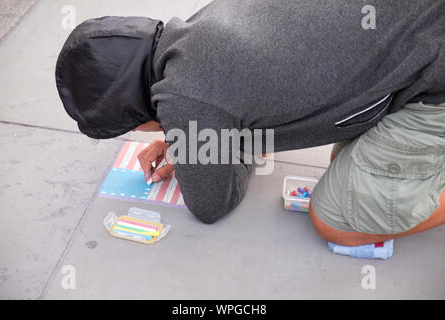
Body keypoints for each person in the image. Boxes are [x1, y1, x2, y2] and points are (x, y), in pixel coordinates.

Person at [55, 0, 444, 245]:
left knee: (337, 220)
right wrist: (189, 137)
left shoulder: (187, 99)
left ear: (135, 118)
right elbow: (231, 93)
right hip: (420, 26)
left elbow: (211, 205)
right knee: (347, 171)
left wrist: (203, 148)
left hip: (432, 81)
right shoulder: (196, 28)